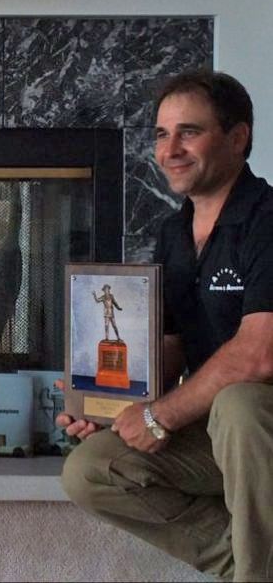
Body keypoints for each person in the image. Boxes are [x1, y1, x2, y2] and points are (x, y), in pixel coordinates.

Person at [58, 70, 273, 582]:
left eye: (189, 132)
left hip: (257, 426)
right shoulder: (174, 232)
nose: (170, 148)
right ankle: (247, 561)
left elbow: (260, 354)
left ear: (238, 138)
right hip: (217, 433)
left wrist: (161, 417)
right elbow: (170, 347)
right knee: (90, 470)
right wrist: (109, 402)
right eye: (160, 134)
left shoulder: (267, 221)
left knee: (238, 403)